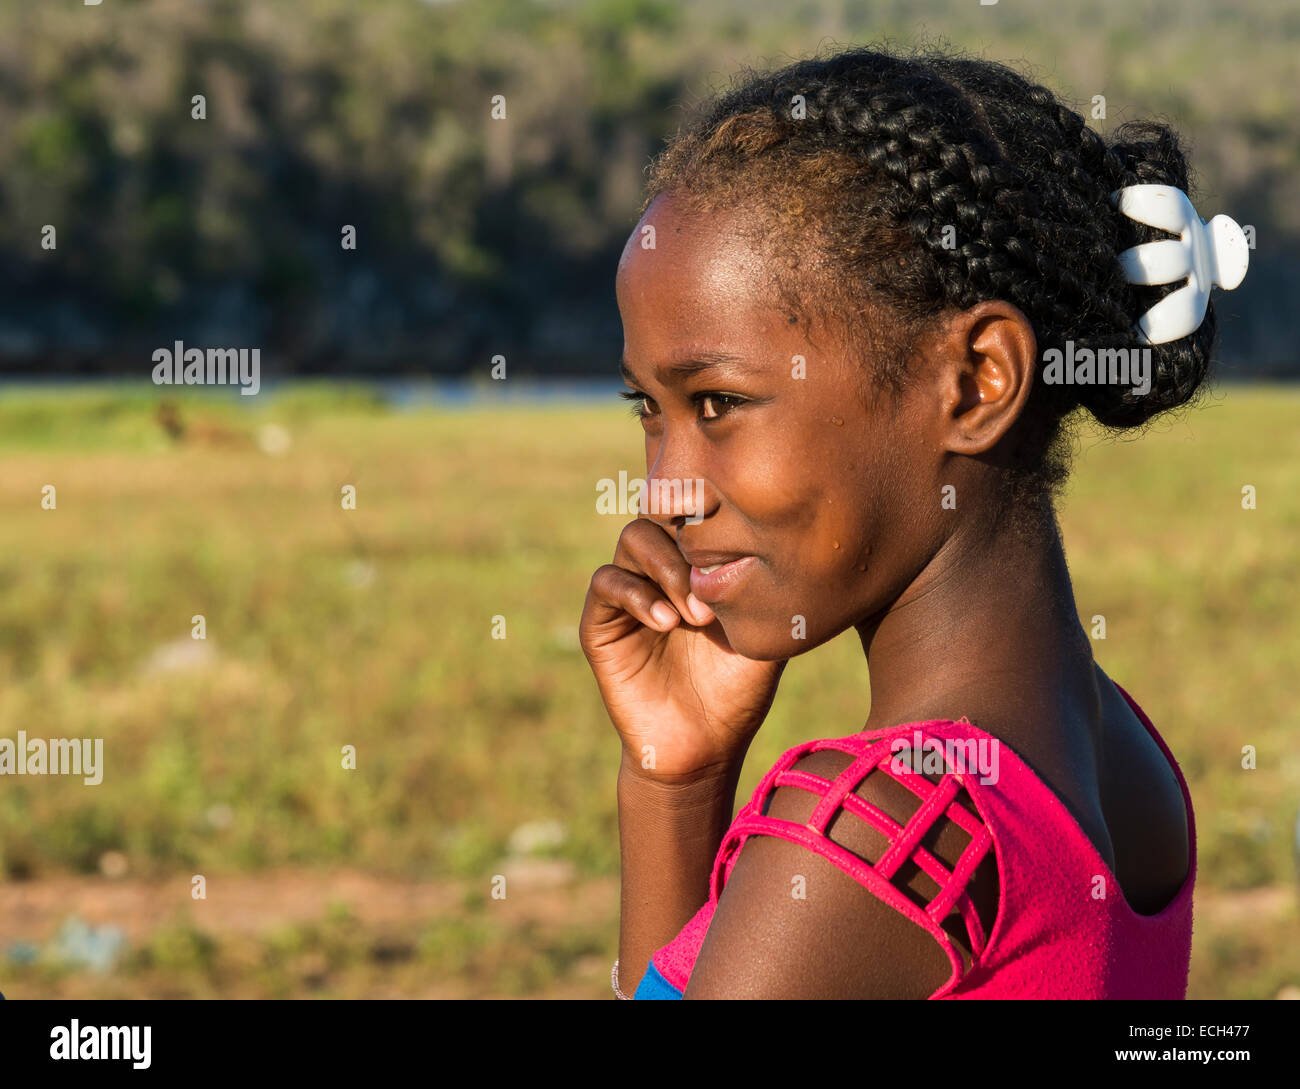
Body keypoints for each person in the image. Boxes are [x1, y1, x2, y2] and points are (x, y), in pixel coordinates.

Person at [579, 45, 1245, 999]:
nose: (666, 491)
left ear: (979, 381)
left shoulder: (872, 844)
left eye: (719, 403)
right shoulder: (1121, 758)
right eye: (649, 407)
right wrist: (679, 780)